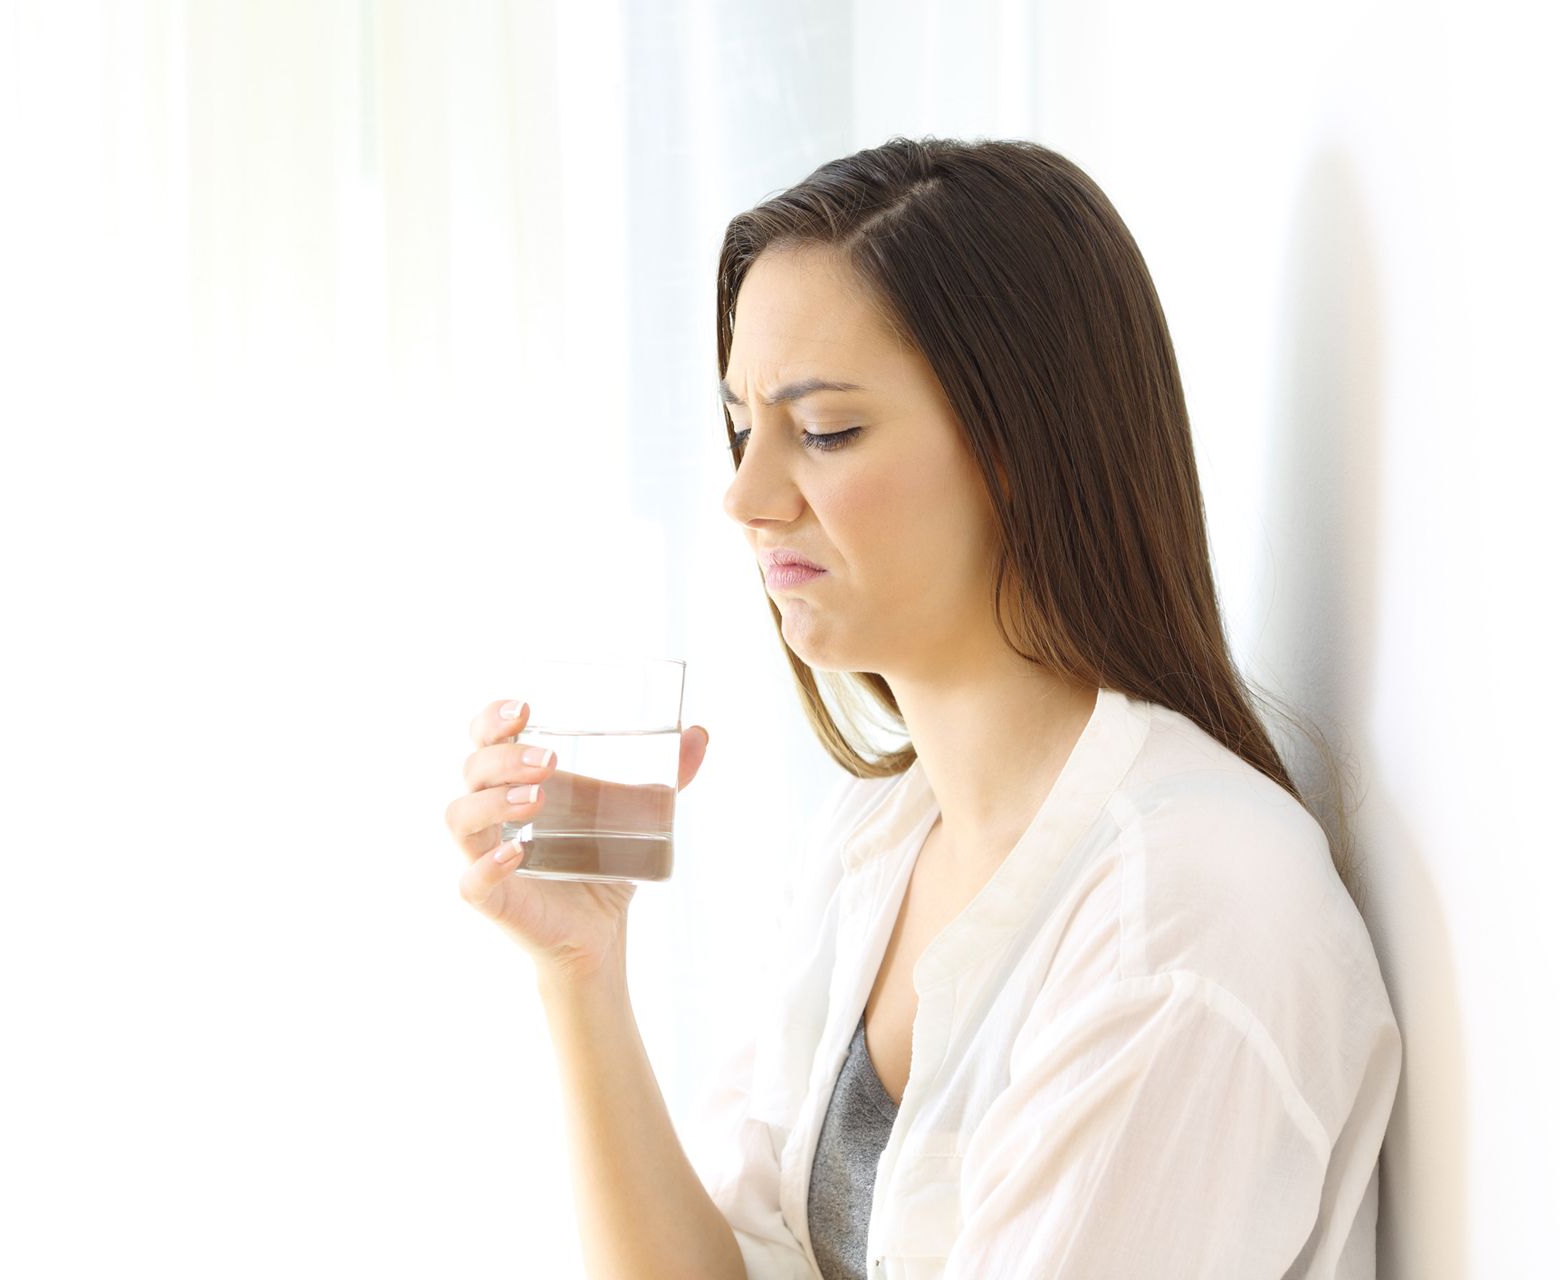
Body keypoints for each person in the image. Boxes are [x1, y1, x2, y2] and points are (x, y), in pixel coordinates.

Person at [442, 137, 1399, 1280]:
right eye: (746, 425)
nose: (745, 497)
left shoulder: (1188, 916)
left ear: (1022, 446)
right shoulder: (875, 840)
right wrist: (581, 970)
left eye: (826, 431)